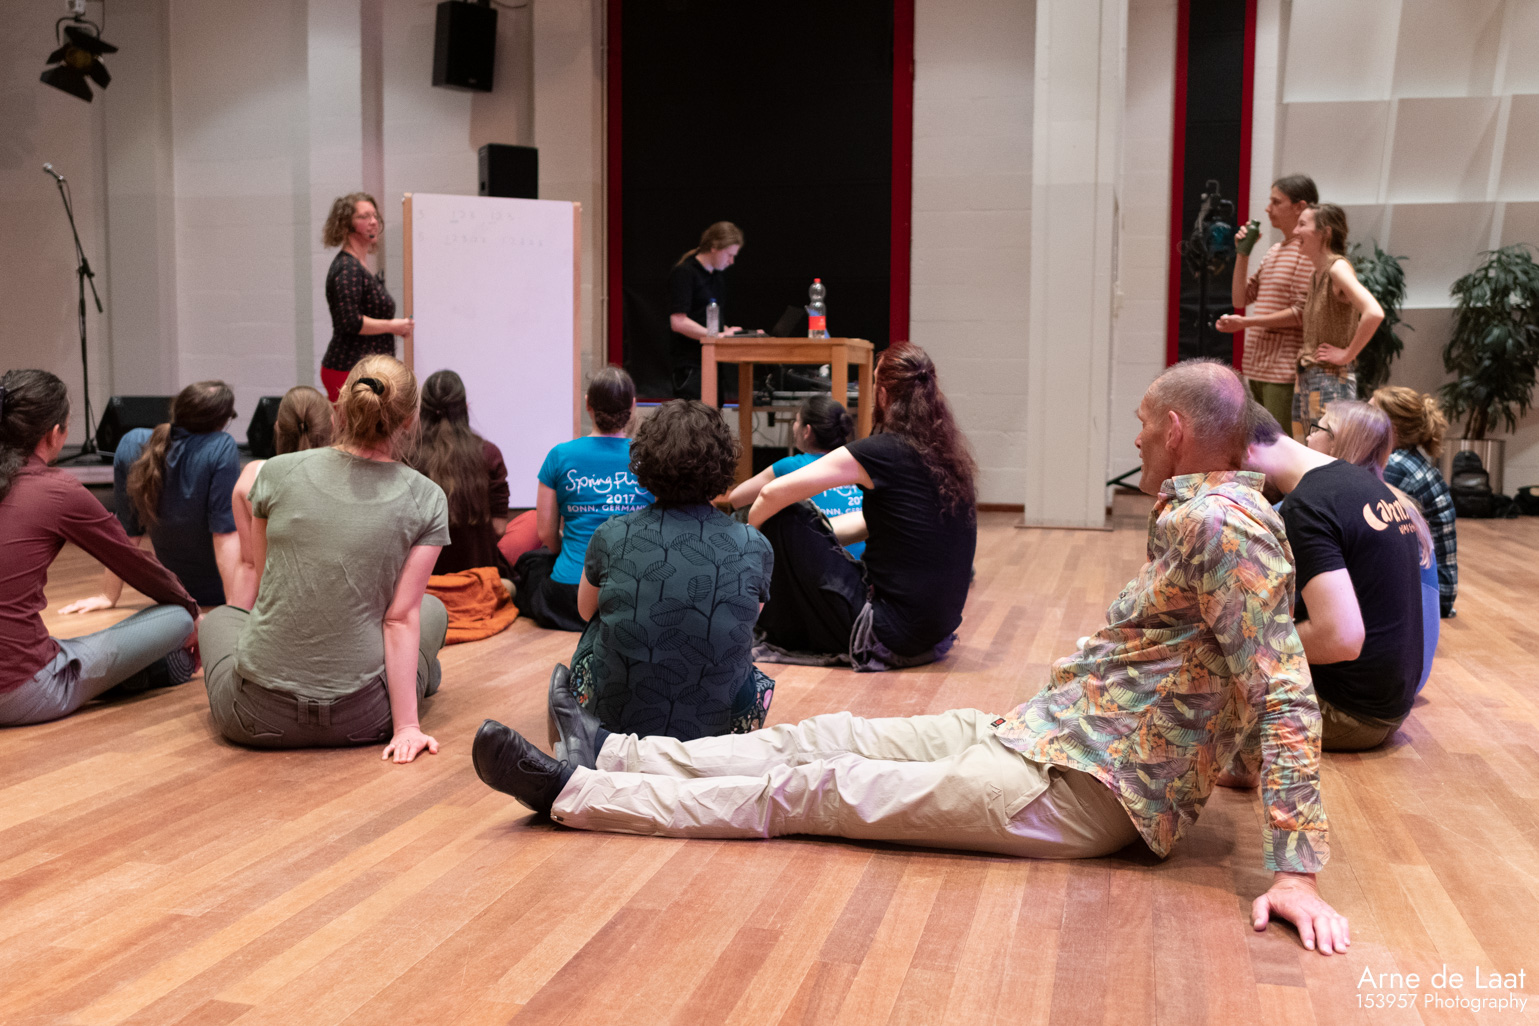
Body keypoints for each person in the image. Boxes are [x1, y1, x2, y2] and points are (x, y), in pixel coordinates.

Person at [471, 360, 1352, 956]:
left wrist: (1296, 873)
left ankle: (578, 793)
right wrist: (1225, 757)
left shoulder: (1222, 526)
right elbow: (1218, 666)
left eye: (1141, 426)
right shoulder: (1201, 518)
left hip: (1085, 787)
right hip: (1044, 737)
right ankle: (616, 751)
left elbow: (1280, 689)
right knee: (823, 736)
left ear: (1176, 429)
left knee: (820, 788)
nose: (1135, 441)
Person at [198, 356, 451, 763]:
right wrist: (406, 727)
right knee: (430, 609)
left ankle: (420, 675)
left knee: (222, 620)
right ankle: (421, 678)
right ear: (410, 420)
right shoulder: (427, 497)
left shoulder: (274, 472)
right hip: (366, 719)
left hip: (255, 716)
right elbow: (399, 619)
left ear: (340, 409)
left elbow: (267, 582)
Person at [551, 398, 774, 742]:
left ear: (645, 460)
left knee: (600, 619)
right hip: (714, 723)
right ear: (724, 463)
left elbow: (585, 611)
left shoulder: (611, 534)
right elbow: (749, 617)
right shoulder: (753, 544)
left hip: (619, 721)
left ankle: (584, 728)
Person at [748, 343, 976, 671]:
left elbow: (770, 494)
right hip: (933, 633)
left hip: (886, 632)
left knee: (783, 516)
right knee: (800, 524)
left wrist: (747, 542)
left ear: (882, 394)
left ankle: (770, 627)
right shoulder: (948, 455)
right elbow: (884, 527)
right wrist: (818, 539)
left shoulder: (879, 452)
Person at [0, 369, 201, 726]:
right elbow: (133, 562)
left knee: (64, 645)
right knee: (178, 619)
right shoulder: (56, 490)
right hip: (20, 692)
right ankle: (145, 674)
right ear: (54, 433)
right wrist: (192, 611)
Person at [1244, 402, 1422, 751]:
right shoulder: (1360, 481)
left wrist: (1249, 649)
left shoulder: (1307, 504)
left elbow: (1340, 638)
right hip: (1389, 707)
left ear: (1246, 451)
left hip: (1346, 714)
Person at [60, 381, 241, 615]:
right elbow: (224, 536)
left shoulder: (133, 443)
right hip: (218, 593)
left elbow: (127, 530)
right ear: (222, 422)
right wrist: (235, 608)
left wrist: (108, 595)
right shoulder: (221, 447)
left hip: (171, 591)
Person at [502, 366, 652, 632]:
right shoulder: (649, 458)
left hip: (569, 597)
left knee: (534, 563)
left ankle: (511, 592)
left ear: (588, 404)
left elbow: (546, 535)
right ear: (632, 406)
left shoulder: (559, 456)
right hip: (633, 597)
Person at [1306, 400, 1439, 695]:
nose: (1308, 436)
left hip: (1366, 690)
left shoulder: (1318, 505)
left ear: (1336, 443)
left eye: (1317, 428)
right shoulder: (1403, 505)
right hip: (1411, 675)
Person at [1215, 174, 1317, 429]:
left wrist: (1246, 323)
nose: (1268, 208)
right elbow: (1240, 298)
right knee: (1261, 443)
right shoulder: (1275, 251)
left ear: (1300, 207)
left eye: (1276, 202)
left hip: (1283, 371)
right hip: (1258, 367)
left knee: (1277, 443)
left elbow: (1300, 313)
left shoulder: (1306, 253)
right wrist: (1242, 253)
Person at [229, 385, 333, 609]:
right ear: (332, 424)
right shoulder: (349, 480)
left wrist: (235, 619)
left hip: (278, 611)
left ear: (277, 427)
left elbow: (249, 565)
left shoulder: (252, 476)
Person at [727, 393, 866, 559]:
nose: (794, 426)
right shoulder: (861, 463)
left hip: (819, 565)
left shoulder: (791, 466)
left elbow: (737, 499)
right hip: (864, 565)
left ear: (807, 431)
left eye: (797, 420)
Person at [1288, 204, 1384, 440]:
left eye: (1302, 224)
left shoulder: (1337, 268)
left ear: (1325, 232)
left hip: (1329, 380)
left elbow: (1374, 312)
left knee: (1327, 450)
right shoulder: (1317, 274)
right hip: (1311, 378)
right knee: (1309, 449)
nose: (1295, 231)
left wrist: (1347, 354)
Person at [407, 370, 511, 577]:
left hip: (424, 583)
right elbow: (499, 528)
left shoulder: (407, 456)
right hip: (477, 580)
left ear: (422, 410)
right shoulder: (489, 453)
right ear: (465, 407)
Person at [319, 192, 414, 402]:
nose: (373, 222)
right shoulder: (347, 268)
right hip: (349, 369)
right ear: (346, 225)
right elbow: (350, 321)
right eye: (364, 217)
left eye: (374, 216)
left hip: (362, 370)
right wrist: (392, 326)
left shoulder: (358, 265)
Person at [1372, 386, 1457, 617]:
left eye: (1370, 413)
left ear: (1391, 429)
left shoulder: (1395, 468)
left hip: (1430, 595)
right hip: (1440, 588)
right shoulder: (1408, 460)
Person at [668, 222, 744, 399]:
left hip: (713, 361)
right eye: (729, 255)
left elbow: (707, 318)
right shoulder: (685, 273)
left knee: (714, 412)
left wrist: (729, 332)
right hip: (691, 366)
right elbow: (678, 322)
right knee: (694, 413)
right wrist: (717, 336)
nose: (731, 261)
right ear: (714, 247)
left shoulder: (716, 277)